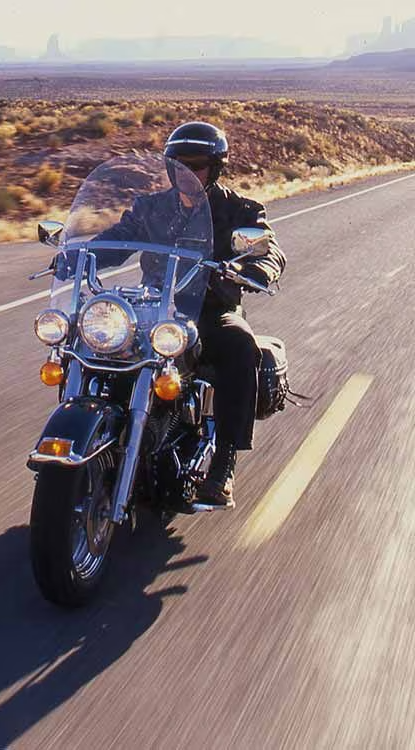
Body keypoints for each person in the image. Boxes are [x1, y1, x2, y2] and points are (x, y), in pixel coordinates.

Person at [63, 121, 286, 508]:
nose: (187, 173)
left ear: (215, 168)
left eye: (197, 165)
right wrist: (78, 255)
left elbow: (269, 248)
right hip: (151, 307)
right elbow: (118, 239)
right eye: (179, 164)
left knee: (240, 345)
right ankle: (82, 439)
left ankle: (224, 464)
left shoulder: (240, 209)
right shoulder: (151, 207)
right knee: (84, 336)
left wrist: (255, 269)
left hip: (211, 308)